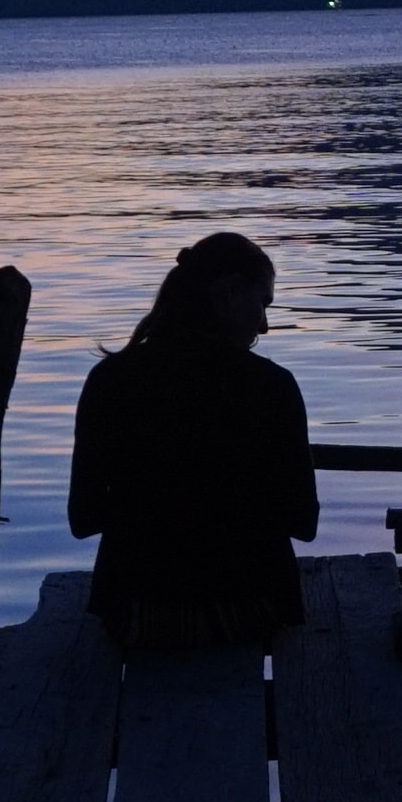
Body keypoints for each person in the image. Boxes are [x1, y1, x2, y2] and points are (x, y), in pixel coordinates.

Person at [68, 232, 316, 650]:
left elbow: (84, 517)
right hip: (251, 613)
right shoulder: (272, 386)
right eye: (264, 304)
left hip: (136, 617)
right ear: (231, 293)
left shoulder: (109, 380)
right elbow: (303, 522)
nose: (266, 325)